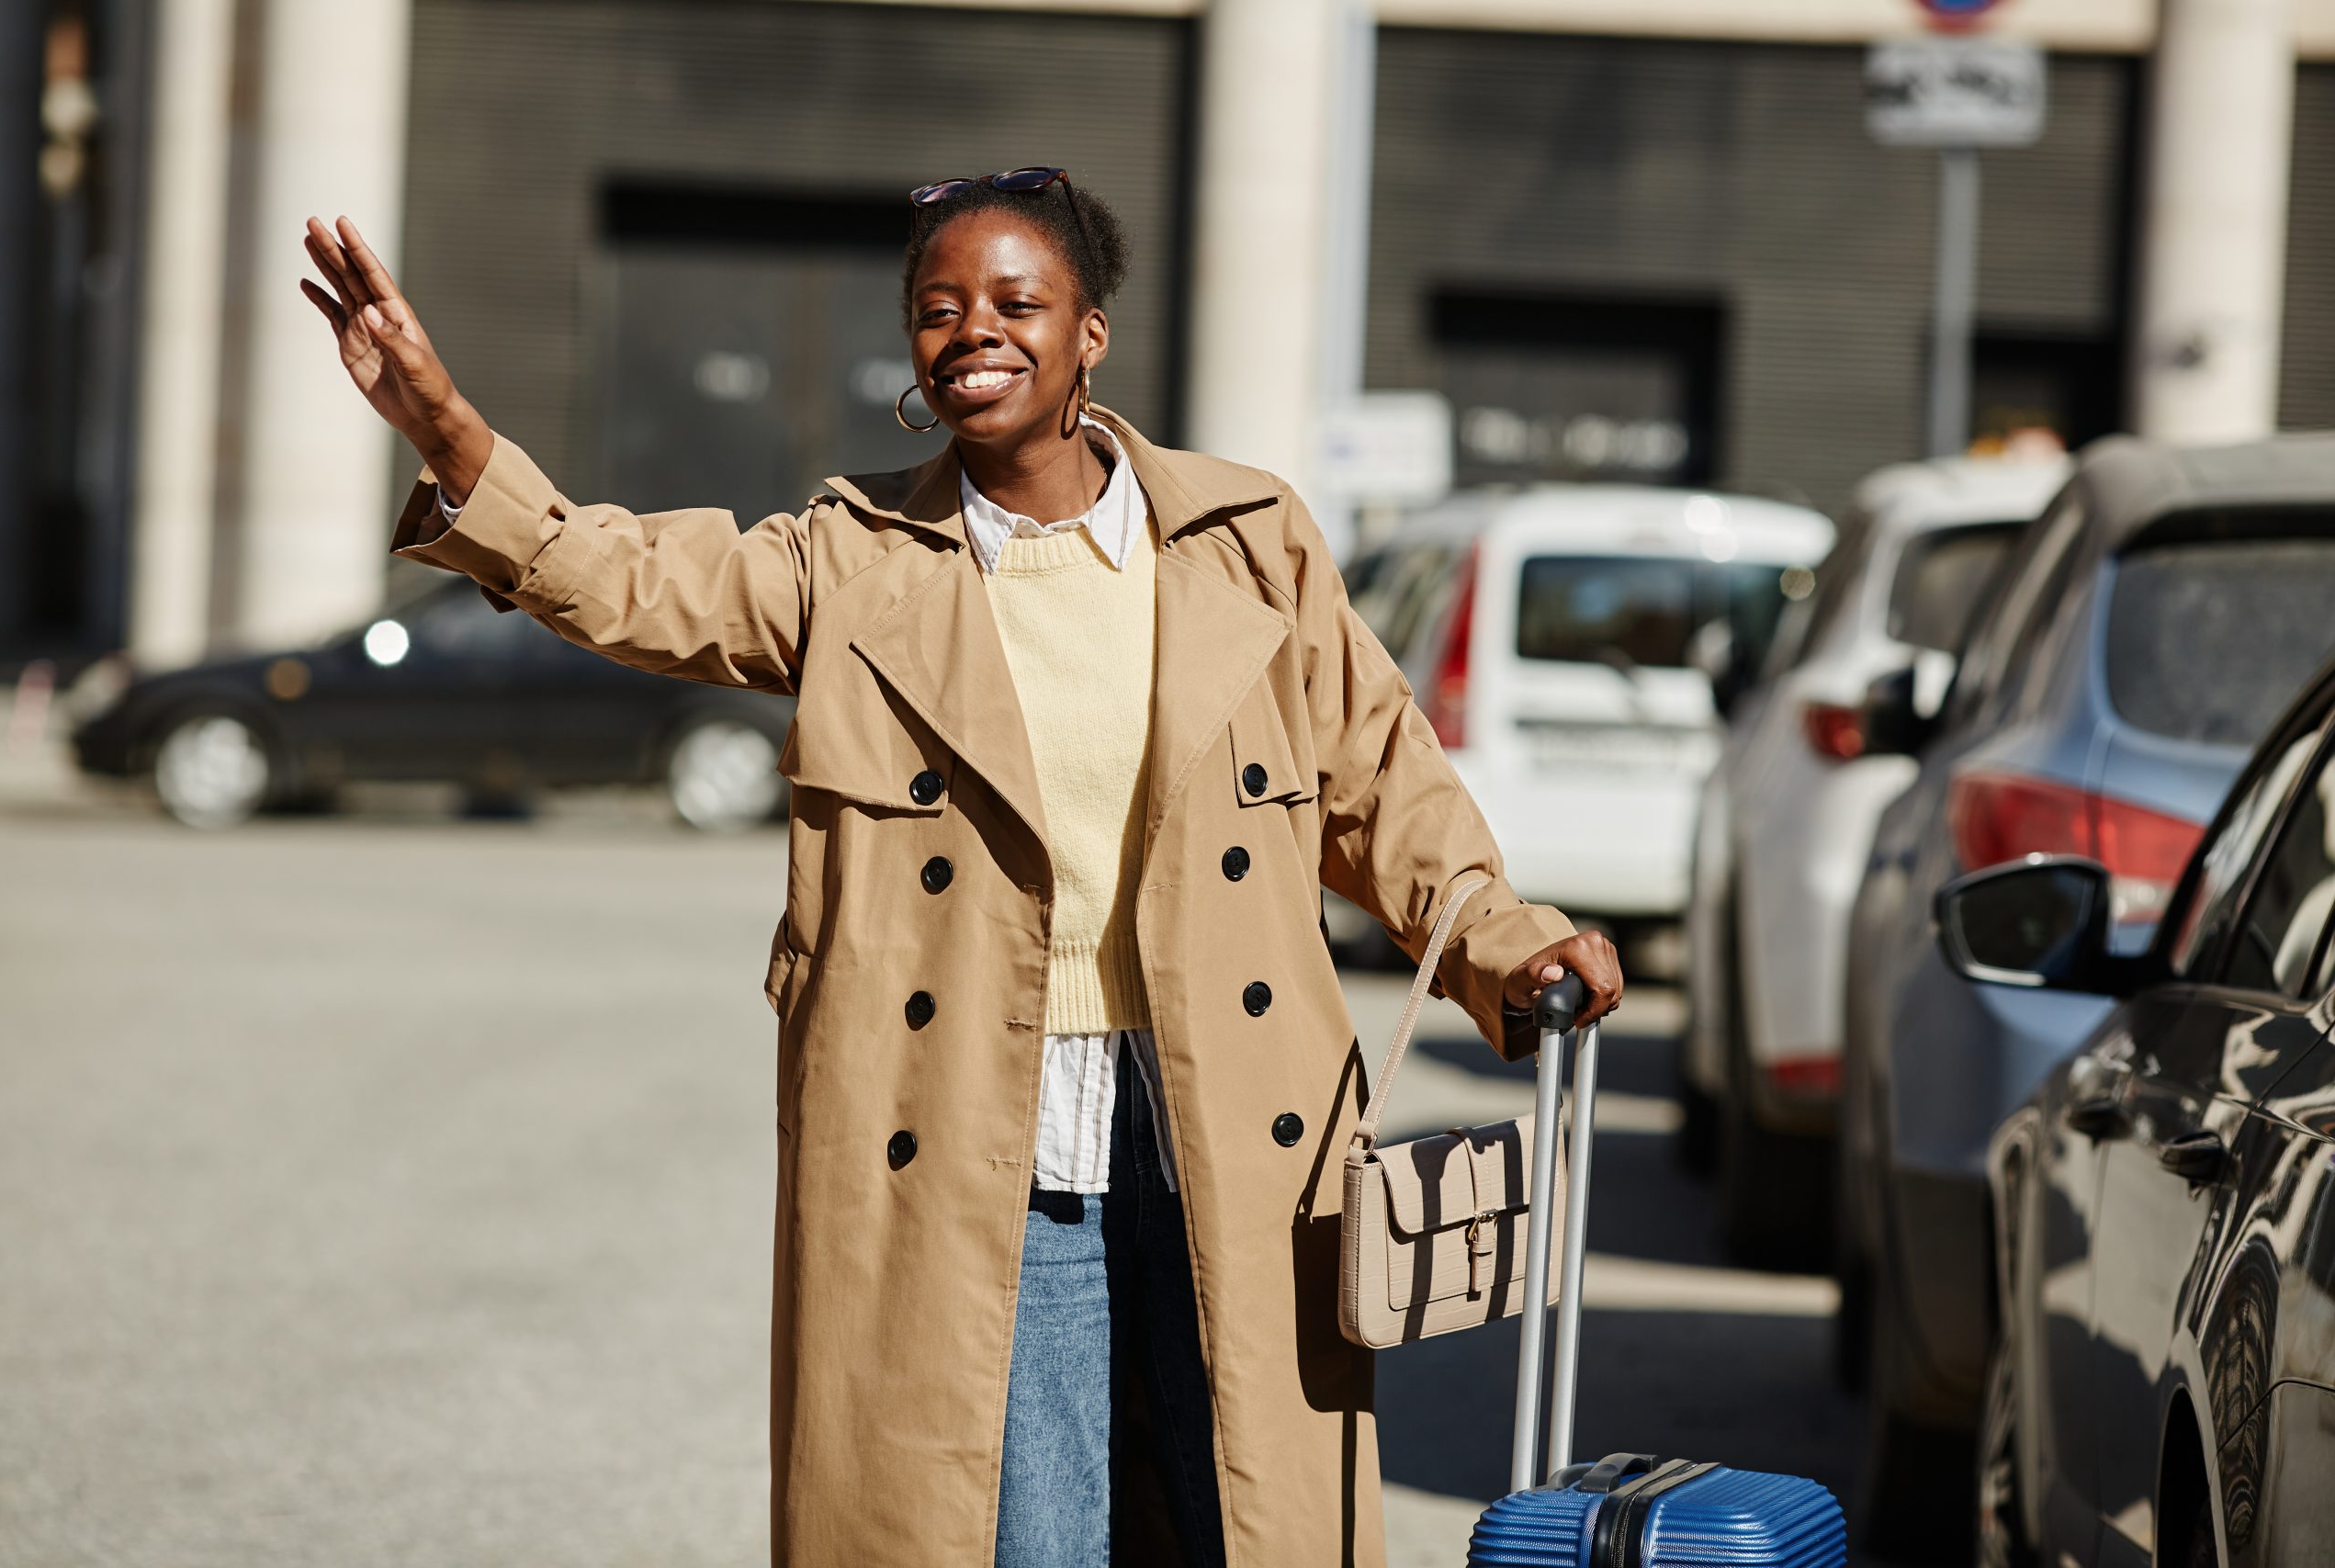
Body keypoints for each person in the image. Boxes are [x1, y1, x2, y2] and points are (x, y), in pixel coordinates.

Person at [299, 170, 1621, 1568]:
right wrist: (446, 428)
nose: (972, 330)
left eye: (1014, 301)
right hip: (978, 1133)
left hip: (1230, 1132)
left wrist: (1502, 934)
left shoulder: (1251, 543)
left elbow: (1382, 785)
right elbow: (620, 578)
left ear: (1089, 334)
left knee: (1243, 1520)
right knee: (1018, 1536)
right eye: (938, 309)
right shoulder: (845, 562)